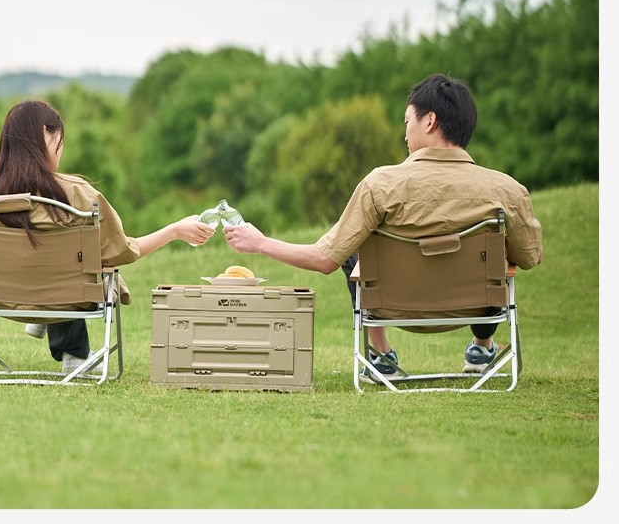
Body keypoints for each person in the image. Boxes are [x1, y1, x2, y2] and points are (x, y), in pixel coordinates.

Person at [223, 73, 543, 381]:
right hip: (480, 307)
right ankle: (483, 347)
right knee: (495, 255)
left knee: (353, 251)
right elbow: (529, 257)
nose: (405, 134)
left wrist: (259, 242)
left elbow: (325, 258)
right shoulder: (507, 190)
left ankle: (381, 356)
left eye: (407, 122)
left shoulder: (380, 185)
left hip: (395, 308)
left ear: (429, 121)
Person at [0, 99, 215, 374]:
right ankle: (73, 353)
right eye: (60, 141)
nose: (61, 150)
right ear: (45, 134)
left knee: (61, 258)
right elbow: (121, 251)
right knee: (87, 265)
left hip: (1, 296)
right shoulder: (74, 192)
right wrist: (174, 231)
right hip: (65, 297)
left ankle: (58, 333)